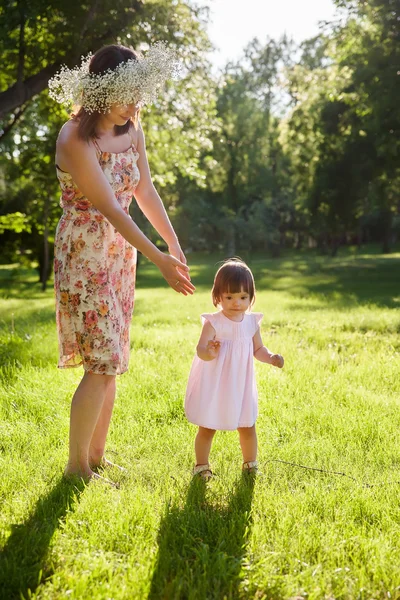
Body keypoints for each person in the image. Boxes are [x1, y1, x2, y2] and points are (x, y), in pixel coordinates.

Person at [49, 43, 195, 483]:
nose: (136, 104)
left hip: (118, 256)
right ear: (99, 91)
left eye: (140, 94)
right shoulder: (74, 137)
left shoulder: (132, 130)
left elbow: (144, 192)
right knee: (100, 362)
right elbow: (112, 208)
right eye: (128, 94)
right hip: (86, 253)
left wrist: (175, 245)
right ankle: (77, 469)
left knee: (112, 361)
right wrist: (159, 260)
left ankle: (96, 456)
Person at [184, 258, 283, 480]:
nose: (236, 303)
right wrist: (208, 351)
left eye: (242, 297)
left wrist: (271, 358)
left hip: (241, 383)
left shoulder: (251, 323)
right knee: (208, 426)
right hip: (216, 382)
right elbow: (201, 349)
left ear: (251, 297)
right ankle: (202, 466)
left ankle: (250, 464)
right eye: (229, 297)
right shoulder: (214, 323)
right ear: (217, 296)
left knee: (247, 424)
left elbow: (258, 349)